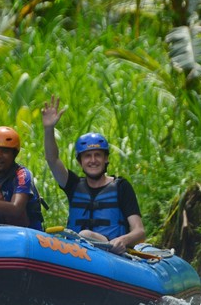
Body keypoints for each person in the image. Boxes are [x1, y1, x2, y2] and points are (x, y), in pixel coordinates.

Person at [41, 95, 146, 255]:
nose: (93, 160)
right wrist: (49, 129)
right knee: (82, 236)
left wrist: (122, 240)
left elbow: (139, 231)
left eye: (98, 155)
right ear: (80, 162)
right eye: (87, 156)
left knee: (85, 235)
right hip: (77, 253)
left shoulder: (121, 187)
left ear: (106, 159)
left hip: (112, 253)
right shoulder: (73, 185)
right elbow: (52, 159)